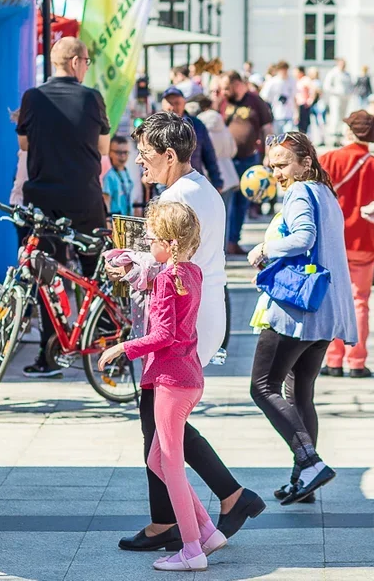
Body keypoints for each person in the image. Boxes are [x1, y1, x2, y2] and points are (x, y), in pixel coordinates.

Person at [115, 113, 264, 553]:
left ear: (170, 155)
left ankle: (185, 516)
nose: (141, 164)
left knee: (160, 422)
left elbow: (174, 262)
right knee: (161, 422)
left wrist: (134, 264)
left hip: (185, 320)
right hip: (196, 314)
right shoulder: (197, 189)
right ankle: (216, 503)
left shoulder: (183, 196)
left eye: (146, 156)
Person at [100, 202, 226, 572]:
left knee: (170, 465)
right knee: (158, 459)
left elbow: (164, 334)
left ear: (170, 244)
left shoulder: (169, 279)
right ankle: (206, 531)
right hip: (186, 376)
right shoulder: (191, 272)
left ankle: (191, 550)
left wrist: (123, 347)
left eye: (151, 238)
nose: (147, 242)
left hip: (172, 379)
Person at [247, 132, 356, 505]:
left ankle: (310, 464)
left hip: (298, 310)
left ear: (305, 162)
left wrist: (264, 249)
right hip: (325, 309)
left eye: (283, 164)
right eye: (272, 166)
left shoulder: (300, 192)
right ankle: (303, 480)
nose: (277, 172)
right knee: (300, 392)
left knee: (262, 387)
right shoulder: (326, 193)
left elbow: (303, 238)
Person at [17, 37, 111, 377]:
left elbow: (24, 143)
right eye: (86, 62)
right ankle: (103, 345)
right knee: (96, 272)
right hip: (85, 199)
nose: (86, 68)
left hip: (43, 202)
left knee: (45, 276)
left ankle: (49, 353)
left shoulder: (32, 97)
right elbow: (102, 148)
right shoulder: (92, 98)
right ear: (75, 62)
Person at [318, 112, 374, 377]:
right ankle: (356, 361)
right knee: (360, 301)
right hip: (365, 241)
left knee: (331, 301)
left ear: (349, 131)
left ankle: (333, 358)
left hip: (332, 241)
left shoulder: (329, 159)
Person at [221, 71, 274, 256]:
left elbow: (267, 128)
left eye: (227, 87)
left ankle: (233, 240)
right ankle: (225, 241)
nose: (224, 91)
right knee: (226, 203)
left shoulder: (255, 101)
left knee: (241, 202)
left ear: (237, 85)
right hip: (227, 160)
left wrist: (269, 153)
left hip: (248, 159)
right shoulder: (223, 101)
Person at [161, 87, 222, 189]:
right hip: (165, 185)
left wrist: (217, 181)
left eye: (177, 103)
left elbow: (209, 155)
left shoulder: (197, 125)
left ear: (184, 103)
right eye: (170, 103)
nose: (173, 107)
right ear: (163, 105)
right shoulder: (157, 128)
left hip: (193, 183)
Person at [323, 59, 354, 146]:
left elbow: (351, 85)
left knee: (343, 117)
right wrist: (336, 91)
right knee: (335, 117)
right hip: (336, 98)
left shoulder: (347, 74)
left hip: (345, 98)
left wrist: (349, 93)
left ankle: (341, 136)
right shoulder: (333, 73)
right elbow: (326, 86)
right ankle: (334, 137)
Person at [261, 61, 297, 133]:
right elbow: (263, 96)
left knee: (287, 137)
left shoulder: (292, 81)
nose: (284, 72)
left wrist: (296, 113)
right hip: (276, 115)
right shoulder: (272, 82)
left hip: (289, 115)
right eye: (282, 70)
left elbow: (294, 98)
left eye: (286, 70)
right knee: (278, 138)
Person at [103, 135, 135, 216]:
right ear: (110, 153)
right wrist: (108, 220)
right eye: (118, 153)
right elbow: (106, 201)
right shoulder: (109, 176)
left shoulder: (127, 172)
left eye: (125, 152)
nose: (123, 156)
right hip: (115, 221)